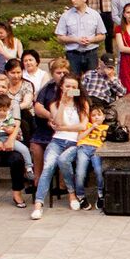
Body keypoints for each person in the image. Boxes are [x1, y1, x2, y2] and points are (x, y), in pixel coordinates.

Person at [33, 74, 97, 218]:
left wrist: (63, 128)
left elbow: (82, 125)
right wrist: (62, 103)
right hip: (57, 141)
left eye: (74, 87)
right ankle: (38, 204)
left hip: (75, 142)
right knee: (48, 166)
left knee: (63, 160)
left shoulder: (83, 103)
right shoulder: (54, 104)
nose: (70, 89)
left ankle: (72, 193)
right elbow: (57, 121)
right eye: (67, 86)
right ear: (61, 86)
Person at [56, 0, 107, 77]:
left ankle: (88, 92)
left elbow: (102, 35)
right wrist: (76, 40)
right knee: (73, 81)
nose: (73, 0)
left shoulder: (95, 15)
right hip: (73, 55)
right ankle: (75, 92)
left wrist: (91, 40)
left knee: (92, 81)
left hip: (91, 54)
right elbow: (60, 37)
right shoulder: (66, 16)